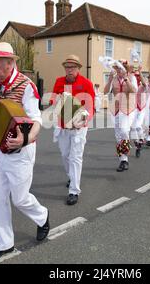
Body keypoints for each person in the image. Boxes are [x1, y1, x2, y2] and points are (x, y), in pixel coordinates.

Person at [0, 42, 49, 262]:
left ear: (10, 63)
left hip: (20, 152)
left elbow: (37, 120)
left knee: (20, 199)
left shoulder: (26, 85)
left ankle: (42, 216)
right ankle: (5, 243)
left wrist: (25, 138)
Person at [50, 55, 95, 205]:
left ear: (78, 69)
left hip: (79, 127)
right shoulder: (59, 82)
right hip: (63, 125)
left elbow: (91, 107)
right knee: (65, 155)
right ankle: (72, 176)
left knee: (75, 157)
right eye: (67, 67)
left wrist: (83, 121)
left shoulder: (86, 83)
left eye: (72, 67)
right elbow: (52, 100)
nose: (69, 70)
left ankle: (74, 191)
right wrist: (59, 100)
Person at [104, 59, 138, 172]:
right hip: (116, 109)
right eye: (117, 67)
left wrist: (126, 80)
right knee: (118, 135)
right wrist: (109, 79)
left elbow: (134, 91)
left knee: (124, 130)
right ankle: (123, 160)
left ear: (125, 69)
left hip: (128, 109)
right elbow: (105, 92)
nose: (119, 69)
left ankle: (125, 154)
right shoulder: (113, 79)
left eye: (121, 67)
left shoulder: (131, 78)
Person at [130, 66, 148, 158]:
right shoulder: (131, 86)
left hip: (141, 109)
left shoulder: (142, 87)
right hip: (133, 109)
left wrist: (140, 72)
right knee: (132, 128)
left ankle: (142, 138)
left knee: (137, 126)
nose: (137, 78)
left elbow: (145, 84)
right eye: (135, 76)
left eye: (138, 76)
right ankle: (138, 146)